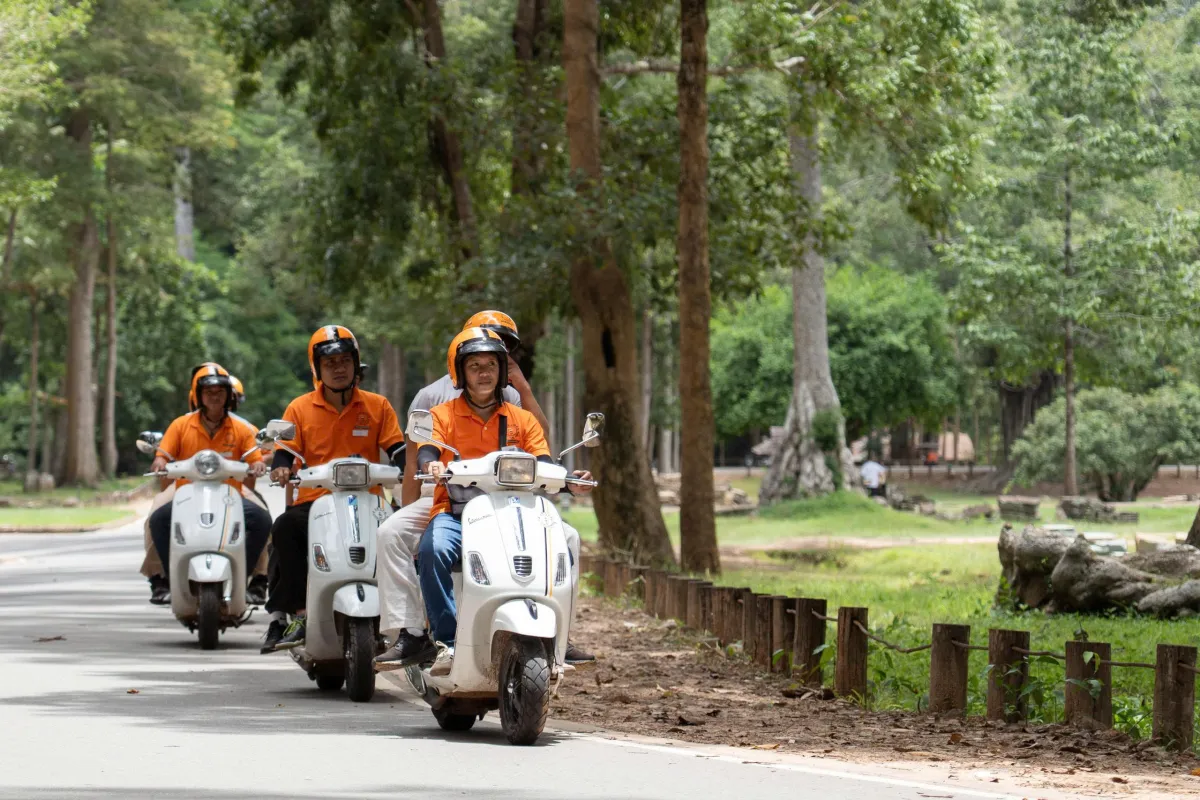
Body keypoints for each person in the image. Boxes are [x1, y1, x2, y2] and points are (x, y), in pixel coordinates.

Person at [374, 311, 593, 669]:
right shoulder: (439, 410)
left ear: (503, 366)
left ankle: (559, 633)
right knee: (431, 548)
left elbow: (542, 461)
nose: (484, 372)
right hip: (455, 508)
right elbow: (425, 451)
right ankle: (440, 639)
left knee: (567, 539)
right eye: (475, 365)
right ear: (459, 369)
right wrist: (431, 465)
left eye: (493, 363)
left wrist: (569, 480)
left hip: (513, 507)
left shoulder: (521, 414)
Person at [262, 325, 405, 653]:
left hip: (369, 500)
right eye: (330, 363)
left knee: (403, 535)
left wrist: (411, 466)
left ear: (356, 364)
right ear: (316, 368)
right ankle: (297, 615)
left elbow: (397, 449)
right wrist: (280, 467)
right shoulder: (299, 408)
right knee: (284, 527)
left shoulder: (378, 406)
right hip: (316, 502)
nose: (339, 369)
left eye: (345, 361)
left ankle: (408, 623)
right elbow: (285, 452)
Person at [140, 368, 270, 605]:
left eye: (220, 392)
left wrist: (258, 465)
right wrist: (160, 462)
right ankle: (163, 578)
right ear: (198, 396)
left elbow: (255, 458)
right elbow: (163, 455)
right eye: (208, 392)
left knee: (262, 519)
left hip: (231, 491)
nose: (214, 397)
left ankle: (253, 577)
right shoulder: (180, 425)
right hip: (185, 490)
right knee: (156, 519)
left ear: (229, 396)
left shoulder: (241, 428)